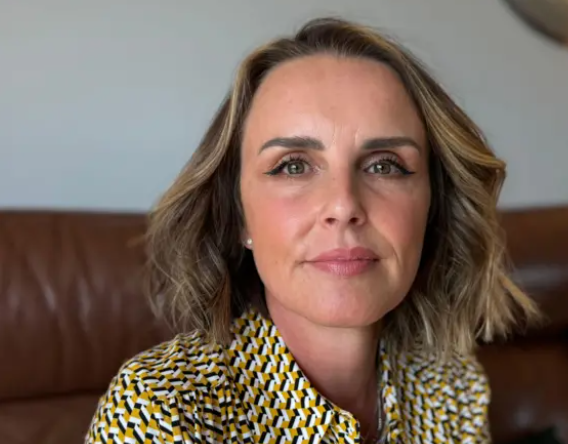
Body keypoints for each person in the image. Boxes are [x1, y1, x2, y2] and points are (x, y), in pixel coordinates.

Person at [86, 16, 536, 444]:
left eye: (385, 165)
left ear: (433, 205)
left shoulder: (451, 382)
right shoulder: (163, 409)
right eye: (293, 166)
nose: (343, 206)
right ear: (239, 215)